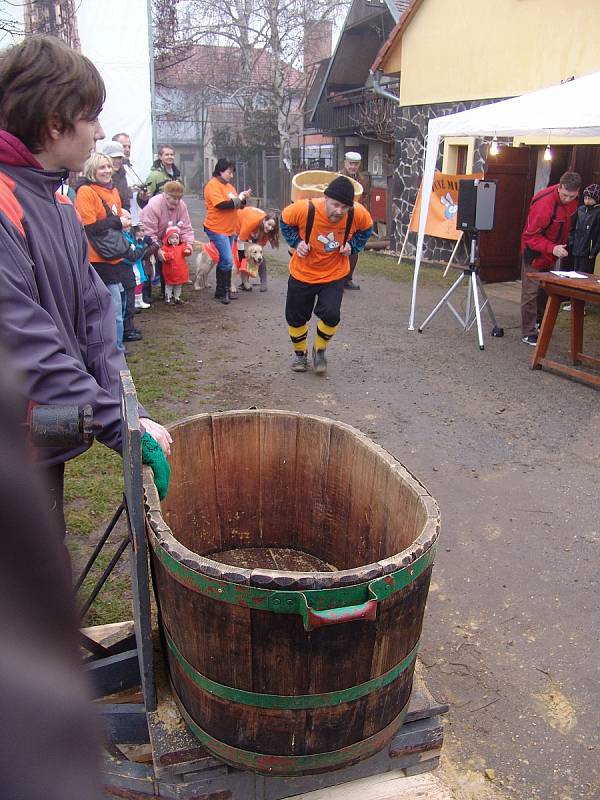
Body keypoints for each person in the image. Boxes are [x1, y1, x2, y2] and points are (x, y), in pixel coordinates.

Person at [0, 35, 172, 537]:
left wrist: (128, 412)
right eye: (91, 116)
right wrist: (118, 426)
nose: (100, 132)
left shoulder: (56, 204)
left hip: (40, 435)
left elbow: (96, 321)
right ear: (55, 123)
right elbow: (24, 345)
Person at [281, 175, 373, 374]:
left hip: (333, 273)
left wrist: (353, 245)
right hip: (302, 273)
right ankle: (300, 355)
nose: (339, 211)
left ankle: (319, 350)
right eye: (335, 205)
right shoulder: (305, 209)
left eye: (344, 207)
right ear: (325, 198)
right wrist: (297, 243)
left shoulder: (358, 214)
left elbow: (366, 230)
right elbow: (284, 221)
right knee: (296, 318)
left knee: (331, 315)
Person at [75, 151, 143, 350]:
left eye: (108, 166)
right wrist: (117, 221)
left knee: (118, 307)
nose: (106, 171)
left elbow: (114, 220)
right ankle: (114, 351)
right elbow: (89, 227)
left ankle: (115, 349)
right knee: (111, 311)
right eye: (101, 167)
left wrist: (123, 219)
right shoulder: (86, 192)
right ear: (91, 170)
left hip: (114, 256)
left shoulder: (112, 191)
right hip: (98, 259)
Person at [520, 171, 581, 345]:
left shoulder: (574, 201)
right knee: (530, 292)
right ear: (560, 187)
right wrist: (552, 247)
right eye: (565, 195)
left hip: (553, 253)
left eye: (572, 196)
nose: (568, 199)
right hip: (535, 252)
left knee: (545, 290)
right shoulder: (544, 204)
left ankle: (539, 323)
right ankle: (528, 331)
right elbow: (530, 236)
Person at [204, 158, 252, 304]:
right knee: (227, 259)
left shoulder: (230, 187)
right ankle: (224, 290)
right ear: (221, 170)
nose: (231, 175)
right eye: (229, 172)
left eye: (232, 173)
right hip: (216, 228)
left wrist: (243, 199)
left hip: (229, 229)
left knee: (224, 259)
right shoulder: (212, 185)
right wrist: (240, 198)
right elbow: (222, 205)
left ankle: (220, 291)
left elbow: (238, 206)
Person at [139, 180, 194, 297]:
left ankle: (166, 291)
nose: (177, 201)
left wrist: (188, 244)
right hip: (149, 236)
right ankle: (145, 294)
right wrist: (157, 249)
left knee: (170, 259)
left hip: (168, 236)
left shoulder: (182, 206)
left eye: (179, 198)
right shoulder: (154, 205)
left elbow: (186, 227)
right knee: (149, 262)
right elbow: (148, 230)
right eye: (174, 198)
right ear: (166, 195)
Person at [340, 151, 371, 290]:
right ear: (345, 163)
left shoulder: (363, 179)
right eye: (350, 163)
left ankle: (347, 279)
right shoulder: (338, 177)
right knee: (338, 248)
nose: (353, 167)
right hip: (341, 217)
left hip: (356, 218)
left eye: (356, 164)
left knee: (354, 249)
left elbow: (365, 197)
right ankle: (336, 281)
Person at [236, 206, 279, 291]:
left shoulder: (267, 231)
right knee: (243, 255)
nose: (270, 228)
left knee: (257, 255)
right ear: (264, 220)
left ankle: (263, 281)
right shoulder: (251, 222)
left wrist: (256, 257)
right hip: (237, 224)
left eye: (273, 227)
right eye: (269, 224)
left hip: (253, 230)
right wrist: (242, 257)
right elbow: (240, 241)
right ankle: (244, 282)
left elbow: (260, 248)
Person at [112, 131, 146, 222]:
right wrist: (129, 191)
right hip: (120, 220)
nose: (127, 149)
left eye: (129, 146)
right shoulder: (109, 170)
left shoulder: (133, 167)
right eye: (124, 146)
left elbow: (138, 200)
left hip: (135, 220)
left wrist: (143, 196)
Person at [568, 183, 600, 274]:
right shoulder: (580, 210)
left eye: (590, 198)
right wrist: (571, 242)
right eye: (585, 198)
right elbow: (572, 227)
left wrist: (593, 251)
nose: (587, 201)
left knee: (584, 274)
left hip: (588, 251)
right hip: (576, 248)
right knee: (574, 273)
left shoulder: (598, 213)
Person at [161, 225, 192, 305]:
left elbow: (186, 251)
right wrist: (169, 255)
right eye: (172, 238)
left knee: (178, 285)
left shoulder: (181, 247)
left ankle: (177, 297)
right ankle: (168, 298)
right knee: (169, 285)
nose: (174, 240)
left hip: (180, 271)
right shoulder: (165, 248)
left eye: (176, 238)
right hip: (170, 271)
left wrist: (188, 251)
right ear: (168, 239)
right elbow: (163, 257)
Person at [100, 139, 131, 212]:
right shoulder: (97, 178)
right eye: (114, 157)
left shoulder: (122, 173)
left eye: (120, 157)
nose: (118, 161)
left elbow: (125, 201)